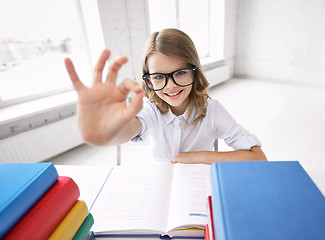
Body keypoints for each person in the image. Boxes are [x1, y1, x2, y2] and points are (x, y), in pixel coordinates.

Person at [65, 28, 267, 164]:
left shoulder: (213, 111)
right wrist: (104, 130)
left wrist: (197, 157)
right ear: (149, 79)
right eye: (159, 77)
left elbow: (258, 157)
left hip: (198, 188)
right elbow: (129, 129)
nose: (170, 86)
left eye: (180, 73)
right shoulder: (150, 109)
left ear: (194, 70)